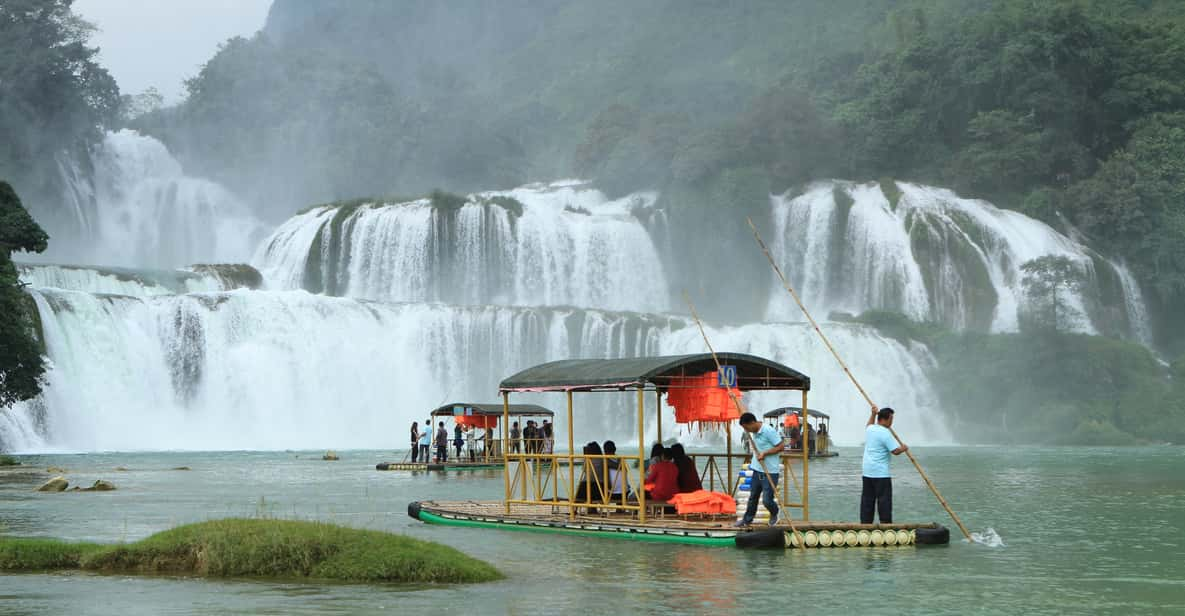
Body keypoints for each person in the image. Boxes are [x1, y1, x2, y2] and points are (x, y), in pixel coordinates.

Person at [735, 411, 784, 527]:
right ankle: (747, 520)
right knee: (753, 497)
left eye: (747, 428)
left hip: (770, 471)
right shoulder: (754, 430)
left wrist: (765, 453)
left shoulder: (768, 431)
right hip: (757, 469)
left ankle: (775, 513)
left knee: (767, 500)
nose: (747, 431)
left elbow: (781, 446)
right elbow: (744, 411)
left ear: (752, 423)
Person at [861, 406, 907, 524]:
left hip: (867, 472)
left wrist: (872, 414)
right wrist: (903, 448)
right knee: (884, 501)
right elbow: (895, 451)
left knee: (867, 500)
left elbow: (868, 425)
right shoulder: (885, 433)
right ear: (886, 419)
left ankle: (865, 525)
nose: (892, 422)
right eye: (891, 419)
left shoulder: (871, 429)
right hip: (881, 474)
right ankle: (886, 525)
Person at [574, 441, 606, 513]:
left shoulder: (588, 460)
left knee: (582, 486)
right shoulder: (603, 459)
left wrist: (585, 457)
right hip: (600, 488)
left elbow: (584, 470)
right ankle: (592, 508)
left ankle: (574, 510)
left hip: (587, 486)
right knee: (588, 485)